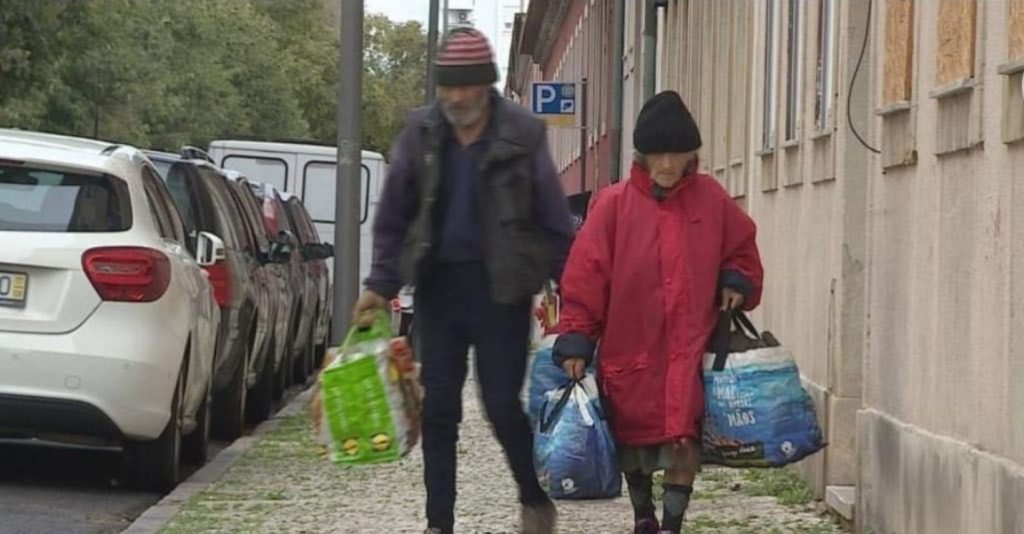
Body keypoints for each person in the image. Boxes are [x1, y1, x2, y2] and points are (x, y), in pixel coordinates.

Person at [352, 28, 574, 534]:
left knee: (500, 404)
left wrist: (575, 294)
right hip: (439, 289)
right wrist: (380, 285)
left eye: (464, 88)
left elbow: (554, 220)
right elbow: (394, 216)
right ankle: (439, 524)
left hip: (503, 290)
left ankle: (532, 497)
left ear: (485, 86)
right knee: (439, 410)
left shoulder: (523, 133)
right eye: (446, 88)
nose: (454, 99)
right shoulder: (421, 134)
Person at [553, 90, 764, 534]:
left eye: (677, 153)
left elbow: (741, 247)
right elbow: (584, 277)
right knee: (633, 443)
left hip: (690, 344)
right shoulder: (613, 205)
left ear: (692, 155)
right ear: (642, 156)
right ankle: (643, 514)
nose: (667, 164)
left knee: (683, 436)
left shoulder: (711, 199)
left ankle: (671, 524)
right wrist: (576, 337)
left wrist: (735, 280)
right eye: (657, 154)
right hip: (631, 341)